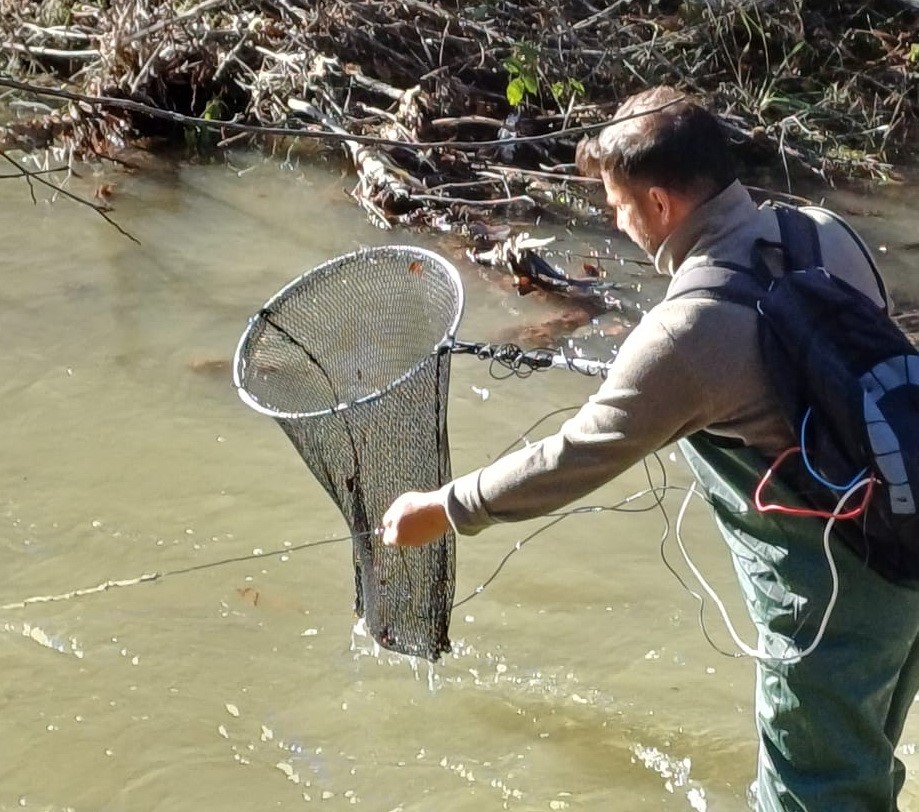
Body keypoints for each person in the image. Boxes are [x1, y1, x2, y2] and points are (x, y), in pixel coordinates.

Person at [381, 85, 919, 811]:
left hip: (828, 602)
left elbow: (572, 459)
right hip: (905, 541)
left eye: (616, 203)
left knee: (812, 795)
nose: (613, 218)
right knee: (861, 769)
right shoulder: (821, 230)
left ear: (660, 204)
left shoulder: (680, 334)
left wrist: (443, 508)